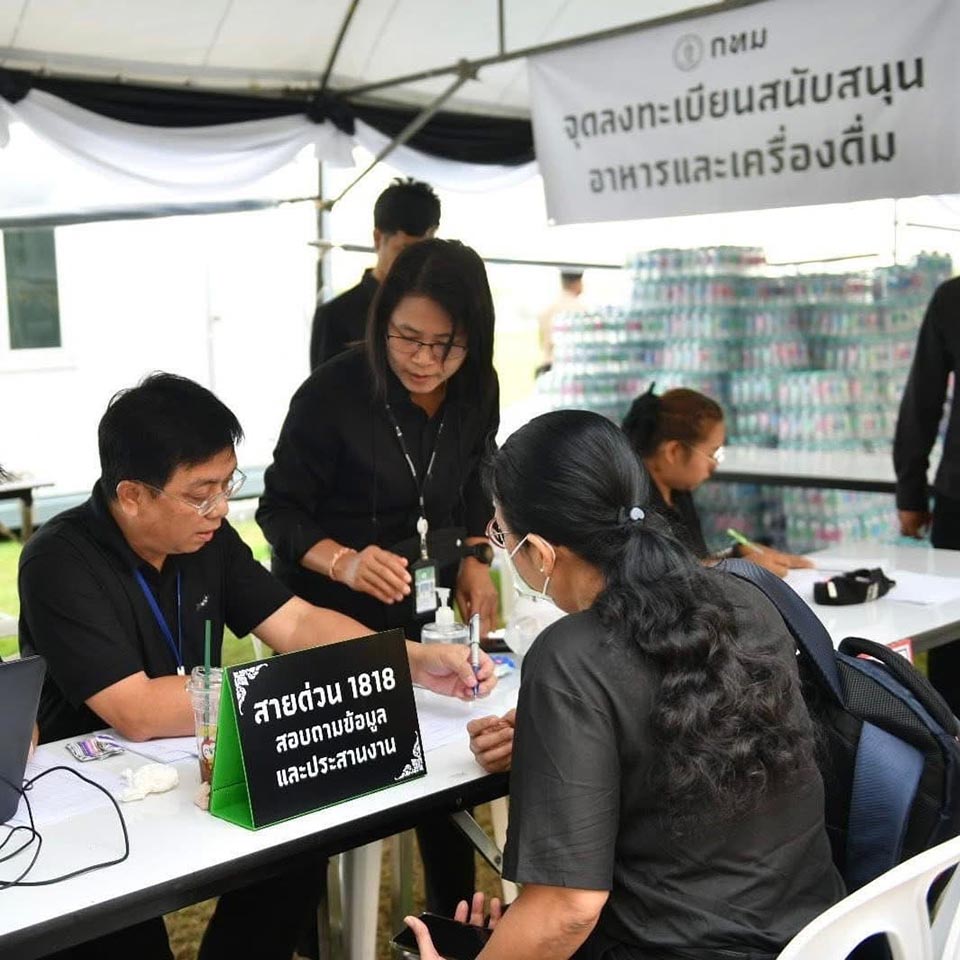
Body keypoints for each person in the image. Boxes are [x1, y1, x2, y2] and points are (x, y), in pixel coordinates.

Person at [17, 373, 493, 960]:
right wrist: (301, 694)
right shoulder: (59, 562)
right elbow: (135, 710)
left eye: (227, 484)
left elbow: (295, 623)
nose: (220, 508)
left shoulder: (207, 539)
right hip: (96, 798)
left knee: (297, 852)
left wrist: (411, 660)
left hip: (203, 759)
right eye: (200, 492)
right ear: (133, 494)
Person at [408, 409, 844, 960]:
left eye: (501, 532)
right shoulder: (745, 600)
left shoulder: (572, 656)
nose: (502, 546)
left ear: (541, 553)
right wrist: (558, 749)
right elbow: (690, 748)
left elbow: (567, 910)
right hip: (822, 936)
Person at [258, 237, 500, 915]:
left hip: (426, 605)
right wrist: (346, 560)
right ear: (382, 320)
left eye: (445, 344)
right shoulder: (333, 393)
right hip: (328, 615)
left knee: (450, 773)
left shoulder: (479, 386)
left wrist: (476, 557)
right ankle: (309, 928)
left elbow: (480, 478)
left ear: (472, 335)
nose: (424, 359)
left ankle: (449, 927)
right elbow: (278, 512)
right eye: (407, 337)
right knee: (328, 801)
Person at [622, 384, 812, 577]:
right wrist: (741, 569)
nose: (714, 466)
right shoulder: (635, 509)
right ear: (674, 451)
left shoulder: (679, 494)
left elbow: (695, 562)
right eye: (711, 453)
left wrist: (737, 553)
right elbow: (664, 580)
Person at [893, 276, 960, 711]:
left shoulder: (954, 298)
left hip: (959, 500)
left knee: (954, 641)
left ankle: (949, 759)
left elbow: (923, 399)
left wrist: (911, 494)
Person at [309, 177, 441, 370]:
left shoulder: (439, 311)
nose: (414, 262)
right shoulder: (335, 316)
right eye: (403, 250)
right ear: (378, 238)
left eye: (423, 251)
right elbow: (319, 396)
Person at [536, 269, 583, 377]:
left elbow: (542, 343)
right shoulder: (580, 310)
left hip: (546, 367)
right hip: (568, 369)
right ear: (578, 283)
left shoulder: (546, 309)